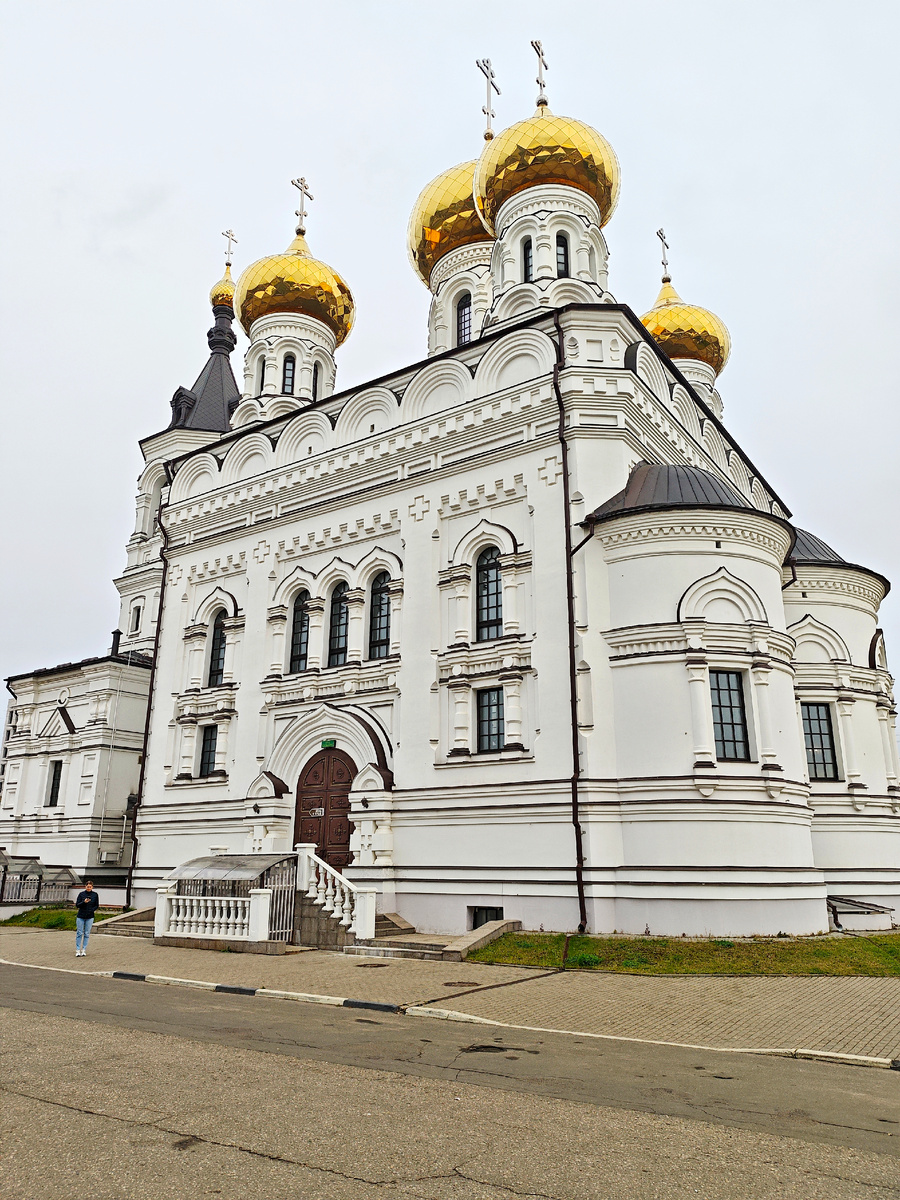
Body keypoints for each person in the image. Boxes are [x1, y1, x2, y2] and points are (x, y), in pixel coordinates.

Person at [74, 881, 99, 956]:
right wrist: (84, 902)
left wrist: (92, 910)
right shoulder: (81, 894)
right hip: (81, 916)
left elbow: (96, 905)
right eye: (87, 887)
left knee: (87, 933)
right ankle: (78, 949)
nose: (88, 888)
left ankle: (84, 949)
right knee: (79, 932)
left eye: (90, 887)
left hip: (90, 916)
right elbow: (77, 905)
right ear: (85, 887)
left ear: (92, 887)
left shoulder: (95, 895)